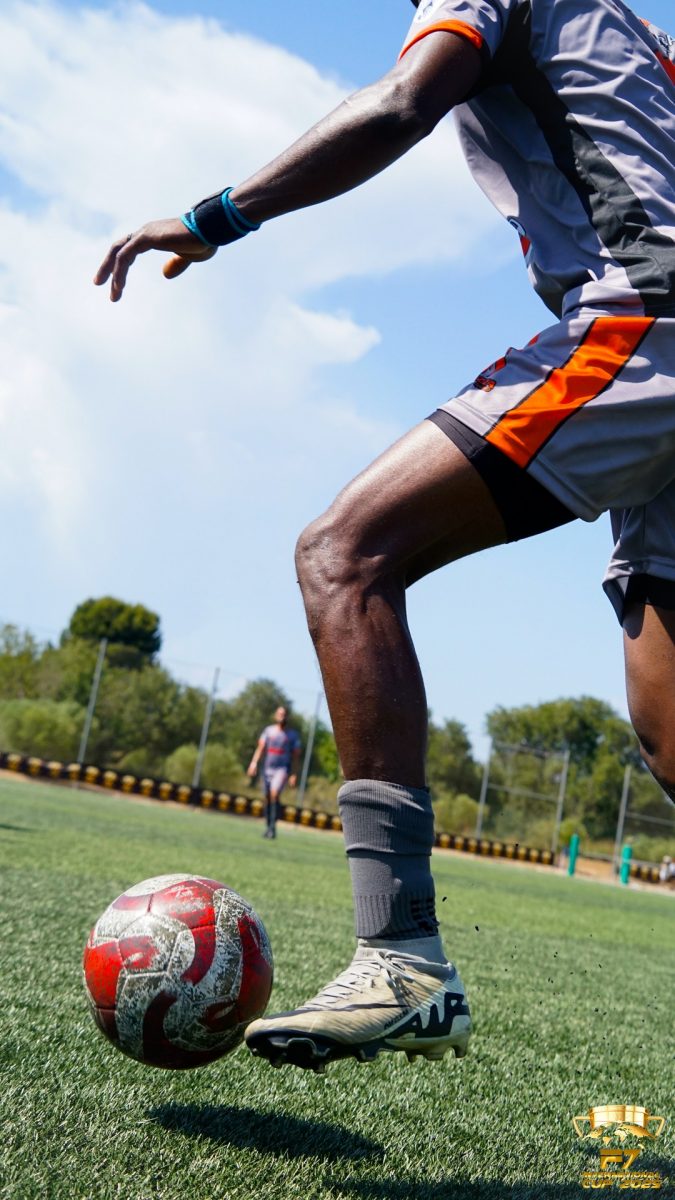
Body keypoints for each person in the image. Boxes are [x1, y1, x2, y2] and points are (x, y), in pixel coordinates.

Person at [95, 0, 675, 1073]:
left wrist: (214, 216)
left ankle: (400, 956)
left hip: (645, 325)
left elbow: (406, 102)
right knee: (670, 736)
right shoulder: (629, 26)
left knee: (344, 556)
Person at [247, 705, 302, 839]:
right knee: (267, 797)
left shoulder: (293, 735)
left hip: (282, 769)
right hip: (267, 768)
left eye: (284, 714)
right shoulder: (268, 731)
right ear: (275, 716)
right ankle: (268, 827)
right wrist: (254, 763)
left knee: (274, 793)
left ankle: (272, 828)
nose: (282, 716)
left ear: (287, 717)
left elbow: (296, 757)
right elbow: (260, 748)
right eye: (279, 714)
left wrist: (294, 774)